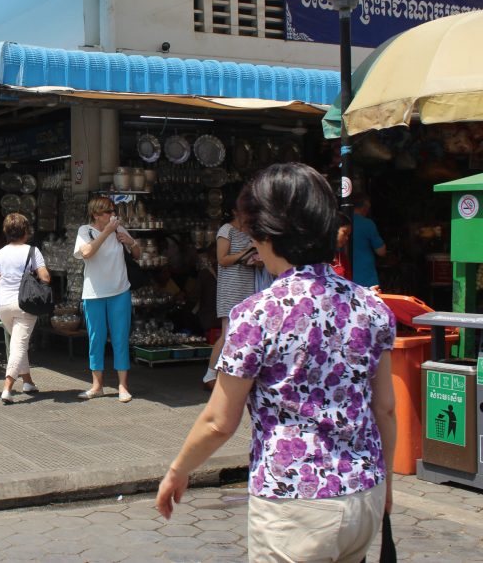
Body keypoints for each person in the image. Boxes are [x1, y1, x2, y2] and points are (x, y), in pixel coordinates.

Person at [156, 163, 397, 562]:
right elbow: (385, 407)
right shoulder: (371, 306)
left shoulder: (258, 313)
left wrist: (179, 469)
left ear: (269, 235)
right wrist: (386, 483)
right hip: (363, 494)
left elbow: (219, 421)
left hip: (295, 501)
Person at [73, 196, 141, 403]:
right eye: (107, 212)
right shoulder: (86, 231)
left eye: (113, 211)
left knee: (120, 338)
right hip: (94, 293)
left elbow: (137, 254)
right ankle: (97, 385)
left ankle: (123, 385)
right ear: (96, 214)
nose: (112, 215)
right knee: (96, 339)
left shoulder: (119, 229)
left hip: (120, 290)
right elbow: (86, 252)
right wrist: (106, 233)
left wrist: (131, 242)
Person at [0, 213, 50, 404]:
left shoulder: (0, 253)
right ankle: (7, 388)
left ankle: (28, 382)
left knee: (18, 343)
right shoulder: (32, 251)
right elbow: (45, 277)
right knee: (19, 345)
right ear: (26, 231)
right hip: (25, 304)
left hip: (2, 304)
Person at [202, 197, 257, 391]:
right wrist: (248, 250)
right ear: (235, 211)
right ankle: (209, 374)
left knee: (245, 333)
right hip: (230, 288)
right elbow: (222, 259)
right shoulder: (226, 230)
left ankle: (236, 374)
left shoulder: (250, 231)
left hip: (248, 287)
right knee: (228, 333)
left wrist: (254, 258)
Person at [351, 193, 386, 288]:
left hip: (345, 276)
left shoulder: (342, 221)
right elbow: (381, 251)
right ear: (365, 206)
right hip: (366, 277)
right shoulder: (367, 224)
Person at [331, 212, 353, 280]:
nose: (347, 238)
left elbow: (349, 284)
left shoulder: (342, 258)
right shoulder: (315, 258)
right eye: (344, 233)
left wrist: (367, 290)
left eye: (348, 235)